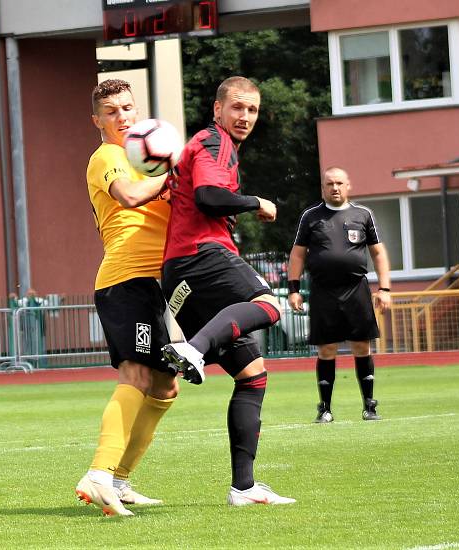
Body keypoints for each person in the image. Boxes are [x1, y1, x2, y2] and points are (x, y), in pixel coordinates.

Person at [160, 76, 295, 506]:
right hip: (200, 256)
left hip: (179, 277)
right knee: (269, 305)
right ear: (217, 109)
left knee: (252, 377)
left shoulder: (211, 145)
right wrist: (256, 202)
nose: (245, 117)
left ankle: (244, 487)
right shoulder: (215, 142)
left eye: (252, 110)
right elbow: (208, 196)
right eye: (237, 107)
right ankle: (194, 349)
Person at [75, 79, 179, 517]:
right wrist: (171, 173)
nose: (122, 117)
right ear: (97, 120)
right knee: (135, 374)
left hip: (156, 285)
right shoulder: (108, 157)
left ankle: (119, 480)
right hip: (125, 280)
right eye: (112, 111)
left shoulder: (149, 162)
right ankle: (98, 475)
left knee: (165, 387)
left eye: (128, 108)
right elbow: (131, 197)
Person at [287, 166, 391, 423]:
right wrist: (293, 290)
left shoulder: (363, 214)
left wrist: (385, 288)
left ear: (348, 186)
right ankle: (325, 408)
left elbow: (378, 253)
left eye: (339, 183)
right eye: (329, 184)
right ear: (323, 188)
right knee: (327, 349)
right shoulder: (310, 217)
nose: (335, 187)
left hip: (356, 288)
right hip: (323, 291)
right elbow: (298, 254)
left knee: (361, 346)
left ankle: (369, 405)